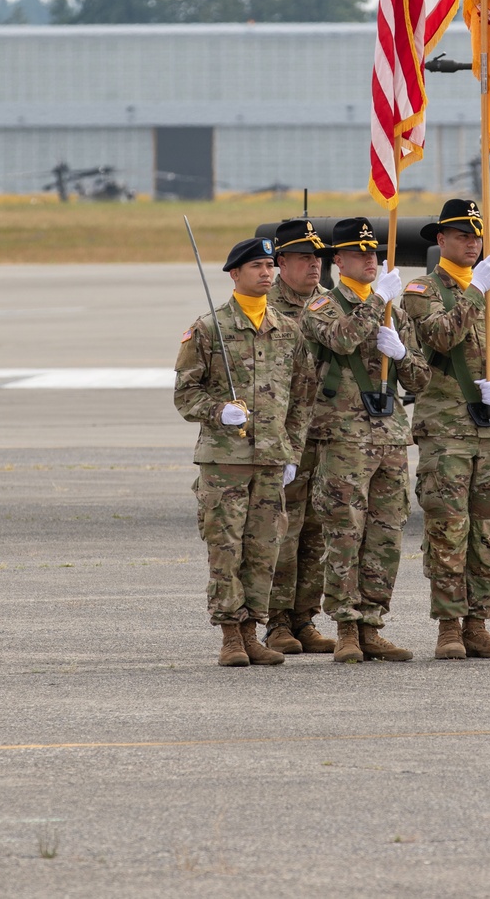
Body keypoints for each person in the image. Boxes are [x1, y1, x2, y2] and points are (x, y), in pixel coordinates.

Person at [174, 235, 314, 668]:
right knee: (225, 547)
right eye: (257, 267)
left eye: (270, 266)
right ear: (235, 274)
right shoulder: (208, 328)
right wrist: (218, 412)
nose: (267, 273)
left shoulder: (289, 329)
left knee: (264, 549)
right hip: (225, 460)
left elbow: (302, 395)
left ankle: (254, 630)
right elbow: (185, 394)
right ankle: (230, 636)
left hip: (272, 460)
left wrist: (290, 451)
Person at [401, 198, 490, 660]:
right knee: (448, 530)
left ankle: (478, 623)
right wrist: (475, 292)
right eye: (460, 236)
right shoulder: (422, 290)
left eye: (476, 236)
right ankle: (449, 628)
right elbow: (438, 336)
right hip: (446, 429)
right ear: (441, 241)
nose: (471, 244)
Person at [301, 217, 430, 663]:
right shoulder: (322, 307)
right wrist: (377, 301)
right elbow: (341, 340)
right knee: (344, 532)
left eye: (373, 252)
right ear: (337, 260)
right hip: (343, 437)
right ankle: (345, 629)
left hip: (390, 435)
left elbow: (420, 378)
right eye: (358, 253)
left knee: (386, 534)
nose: (369, 259)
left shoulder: (391, 307)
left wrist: (403, 353)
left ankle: (373, 624)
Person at [265, 218, 335, 656]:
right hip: (285, 438)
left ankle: (305, 618)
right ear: (281, 262)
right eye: (304, 258)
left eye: (318, 258)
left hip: (328, 434)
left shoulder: (330, 303)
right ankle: (274, 623)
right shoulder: (265, 307)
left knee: (318, 533)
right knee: (281, 534)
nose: (315, 265)